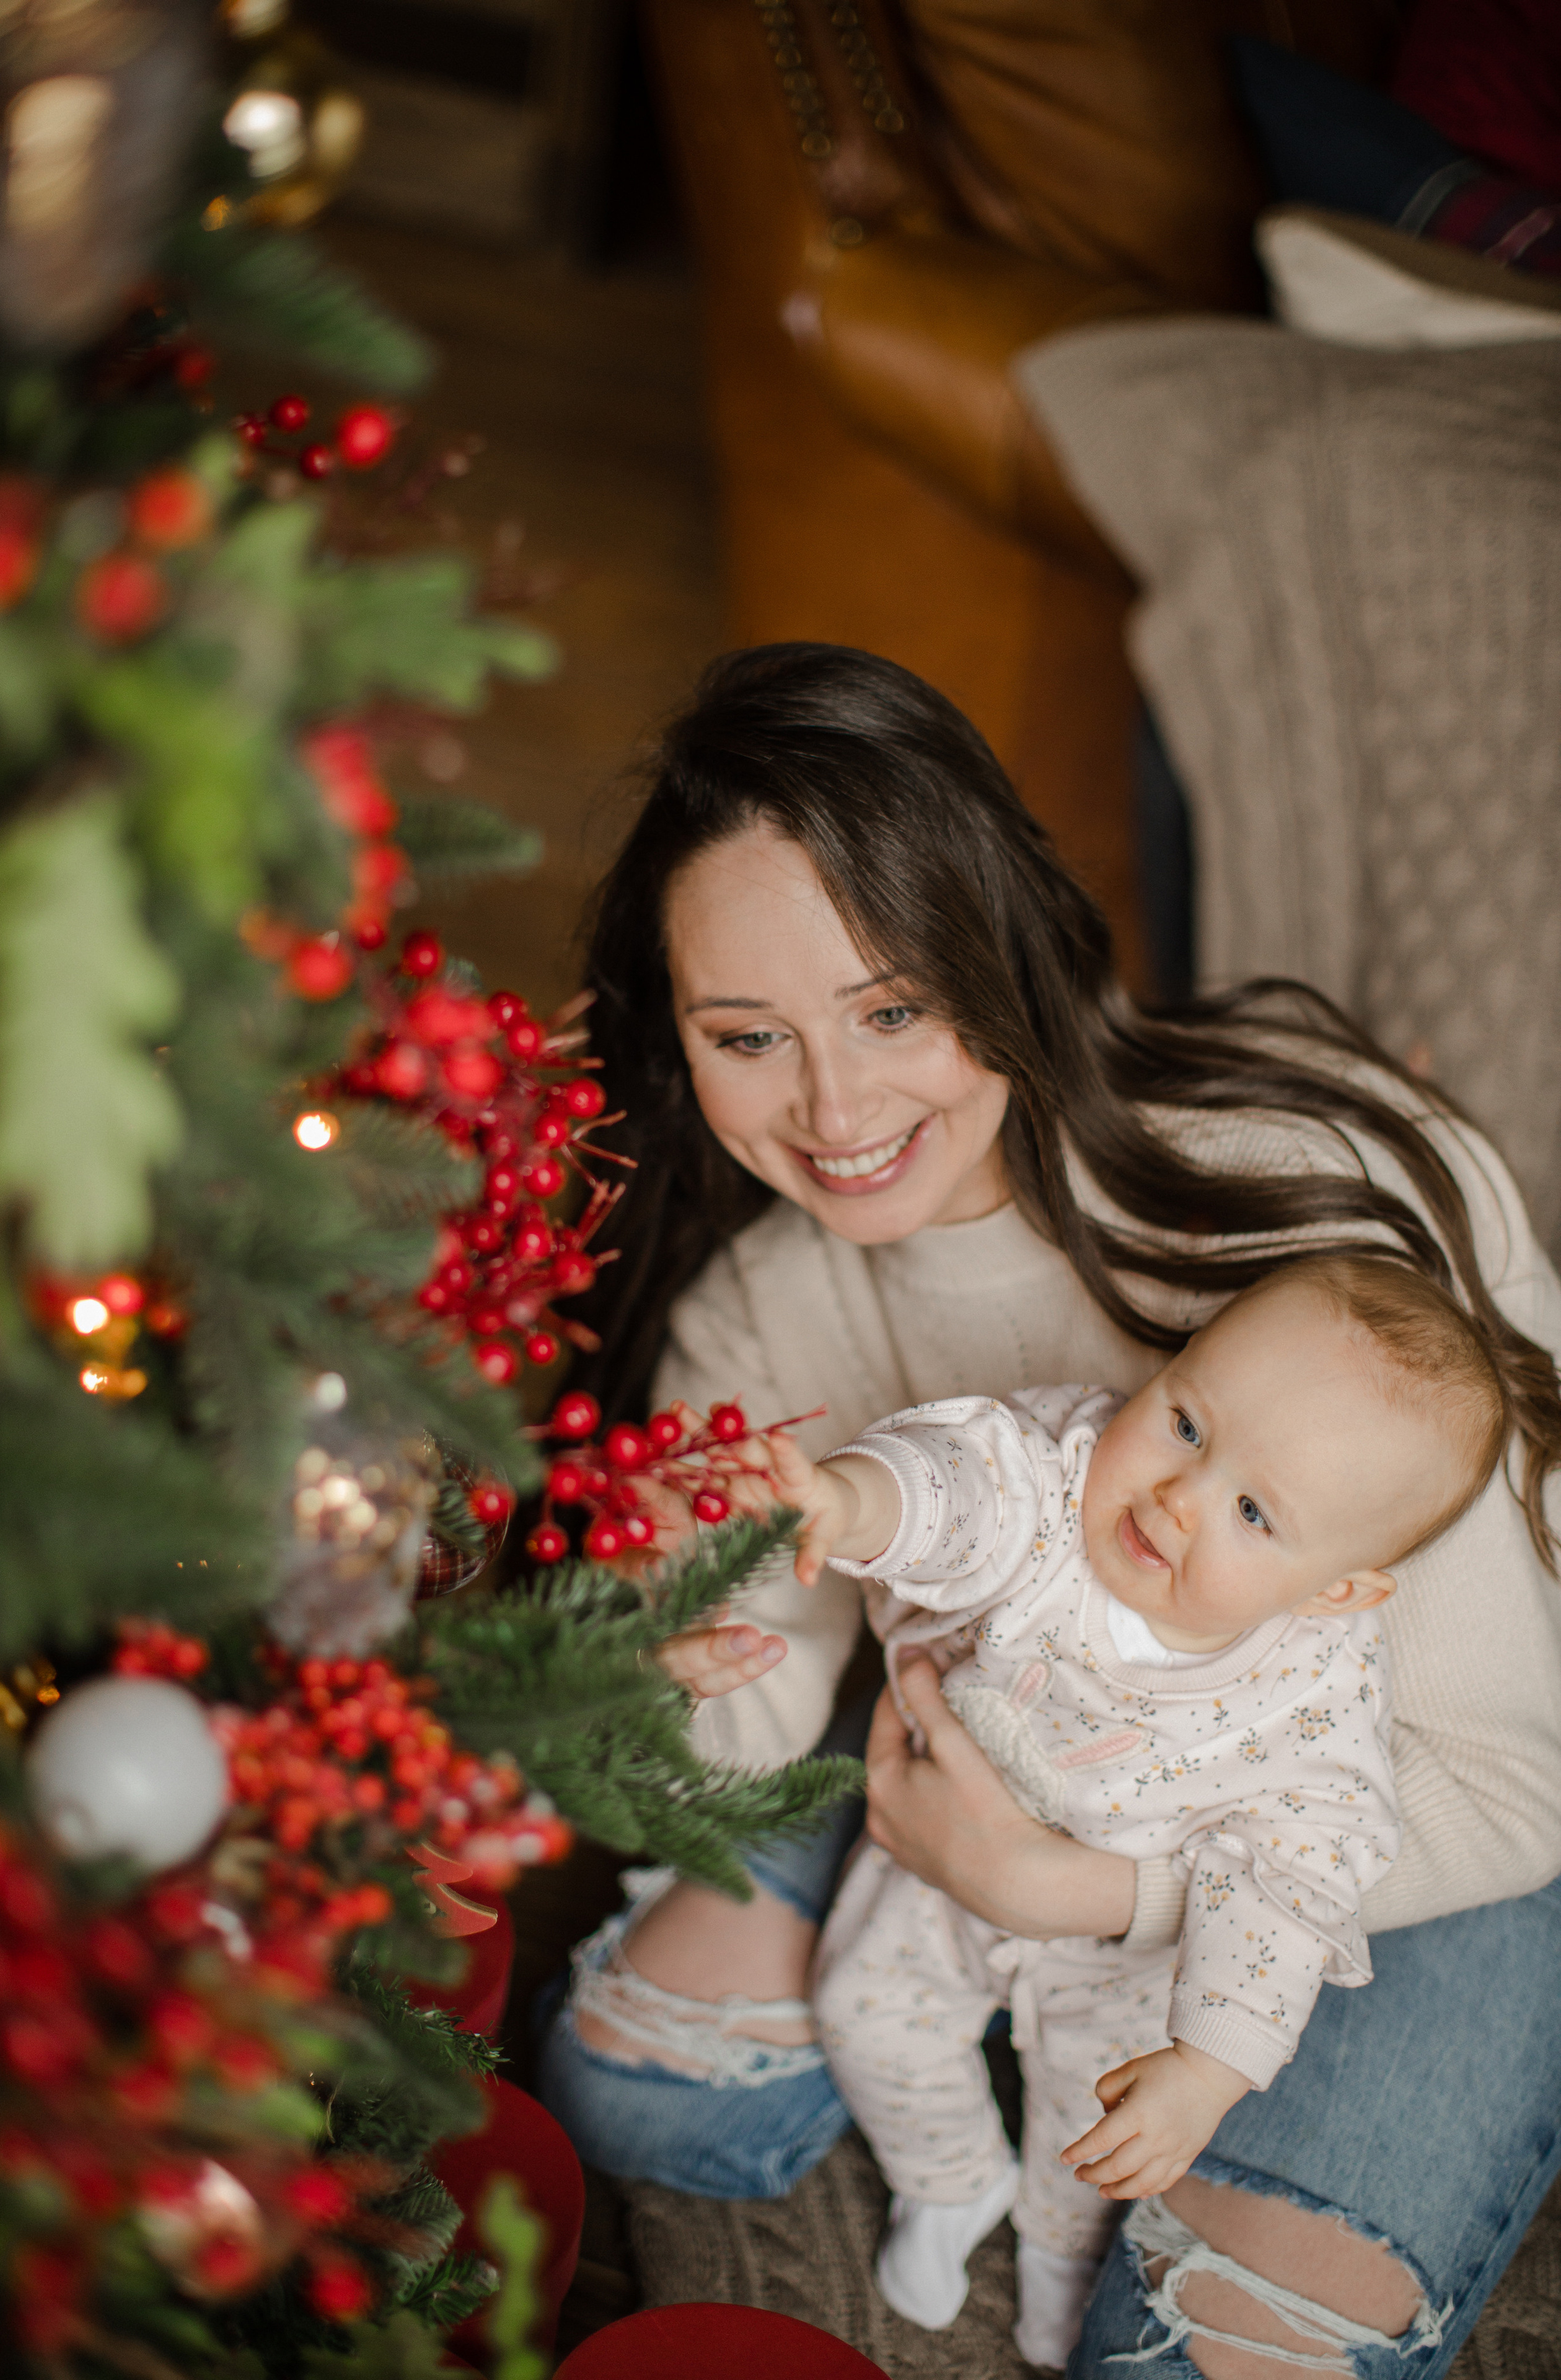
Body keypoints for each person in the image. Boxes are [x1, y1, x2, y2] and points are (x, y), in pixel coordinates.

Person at [535, 641, 1561, 2379]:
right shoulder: (763, 1311)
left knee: (1201, 2358)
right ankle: (987, 2102)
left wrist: (1087, 1892)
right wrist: (680, 1634)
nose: (838, 1111)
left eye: (890, 1009)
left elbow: (1519, 1779)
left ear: (994, 945)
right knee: (635, 2086)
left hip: (1388, 1830)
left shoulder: (1311, 1202)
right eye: (749, 1038)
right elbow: (741, 1729)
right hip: (1031, 1728)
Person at [726, 1254, 1519, 2366]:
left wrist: (1209, 2068)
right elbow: (965, 1485)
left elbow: (1297, 1882)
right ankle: (948, 2180)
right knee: (864, 2008)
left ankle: (1057, 2249)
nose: (1178, 1498)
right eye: (1189, 1424)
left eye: (1253, 1511)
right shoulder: (1061, 1472)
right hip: (939, 1864)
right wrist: (848, 1501)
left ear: (1338, 1589)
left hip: (1126, 1958)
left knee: (1098, 2123)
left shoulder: (1314, 1695)